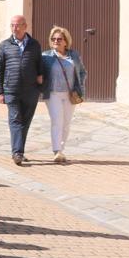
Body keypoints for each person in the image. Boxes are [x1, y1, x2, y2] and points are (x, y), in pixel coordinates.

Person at [0, 14, 44, 165]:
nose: (14, 28)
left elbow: (40, 65)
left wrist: (40, 80)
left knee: (25, 122)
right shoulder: (5, 45)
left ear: (25, 26)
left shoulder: (35, 45)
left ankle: (19, 151)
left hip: (31, 91)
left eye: (17, 25)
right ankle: (17, 152)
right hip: (11, 90)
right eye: (12, 25)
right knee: (15, 120)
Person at [41, 26, 87, 164]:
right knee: (57, 121)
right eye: (53, 39)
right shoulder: (45, 56)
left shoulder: (74, 56)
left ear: (66, 41)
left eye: (59, 39)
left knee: (66, 123)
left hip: (70, 94)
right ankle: (57, 151)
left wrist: (80, 87)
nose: (56, 41)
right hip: (53, 93)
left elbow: (82, 72)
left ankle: (61, 148)